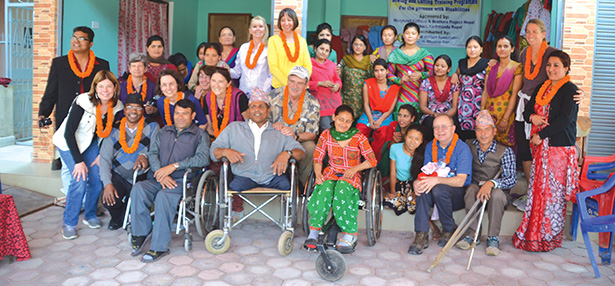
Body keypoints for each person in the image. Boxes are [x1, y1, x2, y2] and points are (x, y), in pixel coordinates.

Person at [513, 51, 579, 252]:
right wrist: (532, 117)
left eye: (556, 65)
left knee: (552, 196)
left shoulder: (570, 90)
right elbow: (526, 111)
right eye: (549, 65)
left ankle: (548, 237)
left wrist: (542, 135)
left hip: (558, 150)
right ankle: (534, 234)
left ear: (566, 68)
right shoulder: (543, 87)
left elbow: (564, 119)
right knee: (538, 192)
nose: (551, 69)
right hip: (541, 149)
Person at [130, 99, 210, 262]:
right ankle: (141, 233)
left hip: (181, 181)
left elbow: (202, 159)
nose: (180, 117)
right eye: (177, 113)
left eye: (185, 113)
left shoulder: (200, 135)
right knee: (138, 188)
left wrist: (175, 166)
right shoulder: (164, 131)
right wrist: (161, 172)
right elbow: (152, 153)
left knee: (163, 196)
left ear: (193, 115)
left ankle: (158, 247)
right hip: (159, 177)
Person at [52, 70, 124, 239]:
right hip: (68, 143)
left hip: (90, 144)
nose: (104, 90)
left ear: (114, 87)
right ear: (95, 88)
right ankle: (68, 223)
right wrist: (78, 162)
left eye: (108, 86)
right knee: (79, 179)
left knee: (98, 179)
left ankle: (90, 215)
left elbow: (111, 133)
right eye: (101, 86)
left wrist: (101, 154)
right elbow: (68, 133)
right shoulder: (83, 101)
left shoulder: (117, 106)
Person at [304, 105, 377, 254]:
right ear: (334, 118)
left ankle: (350, 233)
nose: (344, 124)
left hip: (351, 175)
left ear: (352, 123)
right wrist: (318, 175)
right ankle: (315, 231)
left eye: (348, 121)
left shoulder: (358, 137)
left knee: (342, 188)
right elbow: (317, 159)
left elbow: (372, 160)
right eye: (341, 120)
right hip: (331, 172)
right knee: (323, 189)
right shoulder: (326, 135)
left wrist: (355, 169)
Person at [39, 26, 110, 172]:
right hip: (66, 114)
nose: (76, 41)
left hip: (92, 116)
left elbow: (106, 89)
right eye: (74, 37)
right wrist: (43, 113)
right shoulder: (59, 63)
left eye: (82, 38)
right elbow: (51, 90)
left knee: (90, 156)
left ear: (90, 44)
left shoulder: (102, 65)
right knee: (68, 163)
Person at [210, 92, 306, 194]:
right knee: (234, 186)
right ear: (248, 111)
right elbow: (214, 150)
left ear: (268, 111)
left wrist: (287, 153)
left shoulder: (279, 131)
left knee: (287, 186)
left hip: (273, 176)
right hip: (244, 176)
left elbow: (301, 152)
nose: (257, 110)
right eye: (253, 107)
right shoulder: (234, 128)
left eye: (261, 107)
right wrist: (225, 151)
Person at [408, 114, 473, 255]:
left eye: (444, 126)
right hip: (436, 191)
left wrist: (436, 180)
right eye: (436, 127)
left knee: (437, 188)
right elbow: (427, 172)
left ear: (453, 129)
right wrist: (417, 182)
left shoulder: (462, 148)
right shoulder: (431, 146)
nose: (440, 130)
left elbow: (461, 180)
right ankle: (421, 235)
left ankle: (449, 229)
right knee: (422, 188)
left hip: (457, 195)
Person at [455, 110, 517, 256]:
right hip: (476, 188)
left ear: (494, 131)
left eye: (487, 129)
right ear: (475, 132)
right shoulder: (468, 145)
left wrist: (491, 183)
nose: (483, 134)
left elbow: (511, 179)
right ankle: (473, 234)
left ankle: (492, 238)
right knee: (470, 189)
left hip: (497, 194)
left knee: (497, 194)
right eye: (479, 130)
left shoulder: (505, 151)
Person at [99, 93, 160, 230]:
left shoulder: (152, 126)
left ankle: (128, 211)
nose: (134, 111)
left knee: (135, 208)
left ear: (142, 110)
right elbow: (104, 159)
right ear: (125, 110)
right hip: (119, 176)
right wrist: (107, 184)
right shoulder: (114, 129)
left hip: (141, 176)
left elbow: (156, 150)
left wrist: (145, 155)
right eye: (130, 107)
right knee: (109, 198)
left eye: (138, 108)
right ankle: (117, 218)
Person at [268, 66, 320, 186]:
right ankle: (269, 180)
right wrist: (271, 125)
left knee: (311, 148)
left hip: (299, 141)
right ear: (287, 80)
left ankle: (303, 184)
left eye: (300, 83)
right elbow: (259, 121)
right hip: (274, 139)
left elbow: (312, 134)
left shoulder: (313, 103)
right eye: (292, 81)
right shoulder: (272, 96)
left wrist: (295, 135)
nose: (295, 86)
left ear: (306, 84)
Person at [481, 36, 522, 147]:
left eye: (506, 46)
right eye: (499, 46)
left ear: (512, 49)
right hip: (489, 114)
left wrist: (505, 119)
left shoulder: (516, 68)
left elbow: (514, 95)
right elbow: (485, 91)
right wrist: (482, 112)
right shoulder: (491, 67)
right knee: (487, 143)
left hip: (505, 114)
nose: (502, 49)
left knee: (505, 147)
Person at [387, 22, 434, 116]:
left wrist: (421, 75)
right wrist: (399, 80)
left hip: (420, 95)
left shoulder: (424, 54)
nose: (410, 36)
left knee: (417, 126)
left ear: (418, 36)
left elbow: (434, 72)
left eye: (413, 33)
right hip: (400, 95)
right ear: (403, 35)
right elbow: (388, 73)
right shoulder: (396, 54)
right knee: (401, 122)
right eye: (407, 33)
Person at [356, 58, 399, 160]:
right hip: (368, 115)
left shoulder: (394, 87)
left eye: (382, 70)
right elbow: (366, 104)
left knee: (383, 133)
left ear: (387, 71)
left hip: (385, 117)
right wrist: (371, 120)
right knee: (359, 130)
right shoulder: (368, 83)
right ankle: (357, 160)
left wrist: (379, 121)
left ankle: (375, 161)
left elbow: (390, 110)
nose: (379, 73)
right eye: (376, 71)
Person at [453, 36, 490, 140]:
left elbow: (487, 88)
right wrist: (455, 74)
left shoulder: (487, 64)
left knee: (477, 134)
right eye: (469, 47)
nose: (472, 50)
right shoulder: (462, 63)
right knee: (462, 134)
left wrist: (482, 109)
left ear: (481, 49)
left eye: (475, 47)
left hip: (478, 104)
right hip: (462, 105)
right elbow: (457, 76)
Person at [385, 124, 427, 215]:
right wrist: (393, 192)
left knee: (414, 202)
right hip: (399, 182)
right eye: (410, 137)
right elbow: (393, 172)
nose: (412, 141)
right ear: (405, 137)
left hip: (414, 184)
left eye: (417, 139)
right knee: (393, 201)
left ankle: (428, 220)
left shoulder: (423, 153)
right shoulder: (395, 148)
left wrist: (416, 191)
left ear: (421, 141)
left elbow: (423, 174)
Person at [268, 8, 312, 89]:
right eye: (283, 20)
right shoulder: (273, 40)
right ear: (279, 23)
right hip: (280, 86)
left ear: (294, 21)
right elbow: (273, 67)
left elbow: (307, 65)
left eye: (289, 20)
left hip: (300, 87)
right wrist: (290, 84)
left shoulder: (302, 41)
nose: (286, 23)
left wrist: (300, 83)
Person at [378, 104, 418, 192]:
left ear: (412, 118)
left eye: (405, 116)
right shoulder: (393, 125)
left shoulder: (415, 129)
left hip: (408, 157)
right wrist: (394, 142)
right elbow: (388, 145)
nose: (401, 119)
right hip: (394, 156)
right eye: (400, 115)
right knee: (388, 152)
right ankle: (385, 178)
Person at [230, 15, 273, 95]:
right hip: (243, 92)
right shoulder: (243, 48)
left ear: (265, 30)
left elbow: (272, 75)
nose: (257, 29)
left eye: (260, 26)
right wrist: (224, 68)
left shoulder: (269, 49)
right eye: (254, 26)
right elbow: (237, 72)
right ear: (250, 30)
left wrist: (263, 91)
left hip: (262, 94)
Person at [419, 55, 460, 136]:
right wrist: (434, 114)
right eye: (437, 65)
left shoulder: (453, 83)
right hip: (431, 114)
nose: (439, 68)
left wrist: (445, 116)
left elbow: (454, 108)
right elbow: (423, 106)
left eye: (443, 66)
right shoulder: (426, 82)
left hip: (448, 114)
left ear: (449, 69)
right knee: (429, 123)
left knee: (454, 124)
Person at [203, 67, 249, 138]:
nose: (216, 85)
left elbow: (249, 124)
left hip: (238, 138)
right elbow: (209, 128)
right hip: (216, 139)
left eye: (220, 81)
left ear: (228, 83)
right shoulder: (207, 98)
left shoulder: (239, 97)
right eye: (213, 81)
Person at [309, 39, 342, 131]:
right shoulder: (308, 64)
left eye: (327, 50)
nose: (323, 52)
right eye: (321, 49)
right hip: (319, 104)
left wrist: (337, 86)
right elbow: (304, 83)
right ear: (315, 49)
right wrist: (319, 83)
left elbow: (338, 80)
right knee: (326, 129)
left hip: (334, 103)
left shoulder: (332, 65)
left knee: (337, 128)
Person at [340, 35, 373, 119]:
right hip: (346, 98)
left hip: (363, 99)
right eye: (355, 44)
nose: (358, 47)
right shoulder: (346, 60)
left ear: (365, 47)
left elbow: (372, 81)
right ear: (352, 46)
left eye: (361, 45)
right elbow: (339, 78)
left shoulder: (369, 61)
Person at [118, 53, 157, 118]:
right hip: (125, 123)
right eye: (133, 66)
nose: (137, 69)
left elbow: (158, 108)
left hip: (146, 122)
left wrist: (153, 110)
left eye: (140, 66)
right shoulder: (121, 87)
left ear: (145, 68)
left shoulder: (152, 86)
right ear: (129, 69)